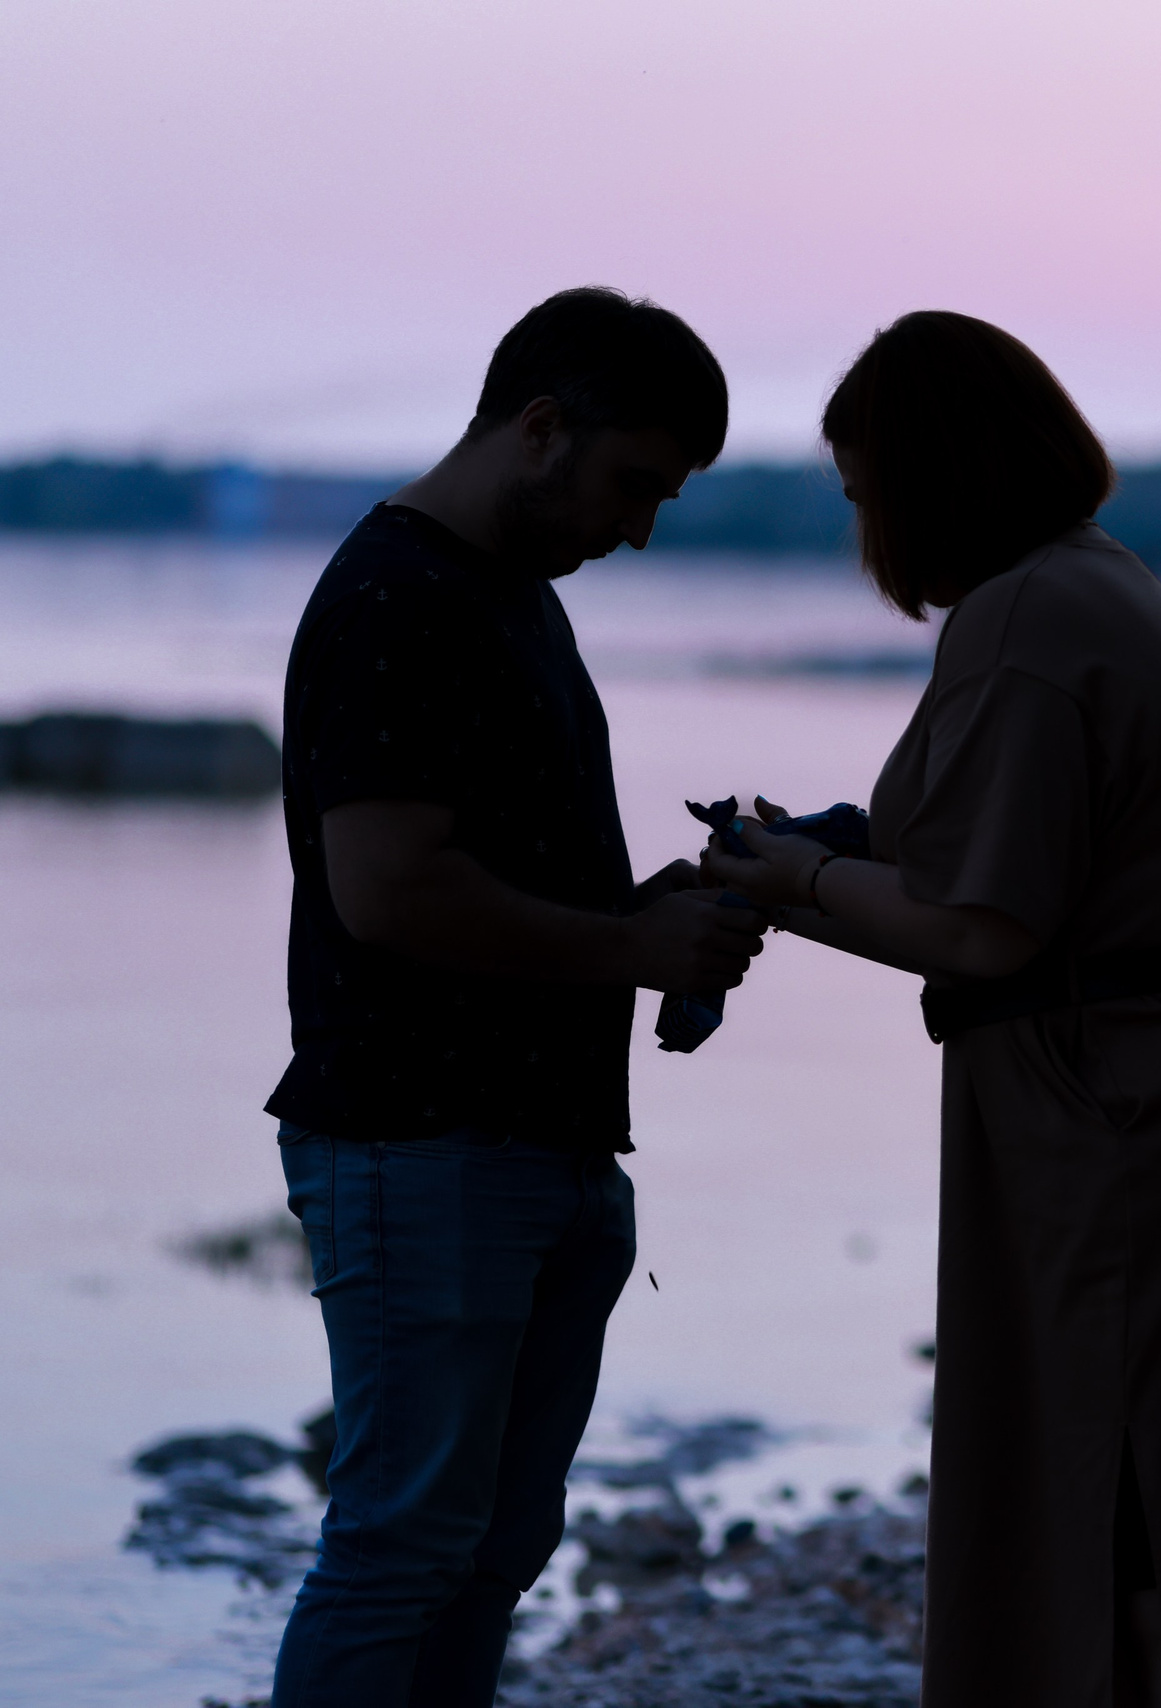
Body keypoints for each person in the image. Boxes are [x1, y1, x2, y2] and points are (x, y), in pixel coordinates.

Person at [703, 311, 1161, 1708]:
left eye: (860, 490)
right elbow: (1018, 856)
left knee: (1118, 1480)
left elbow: (986, 929)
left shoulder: (1023, 620)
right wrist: (826, 852)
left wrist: (795, 878)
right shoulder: (1093, 585)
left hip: (1137, 1104)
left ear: (923, 477)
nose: (861, 526)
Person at [264, 288, 766, 1706]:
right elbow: (391, 891)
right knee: (402, 1545)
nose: (640, 529)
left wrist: (649, 911)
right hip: (420, 1144)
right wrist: (636, 952)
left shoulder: (502, 592)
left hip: (525, 1148)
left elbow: (480, 871)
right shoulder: (392, 596)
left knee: (484, 1549)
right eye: (632, 486)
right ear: (540, 428)